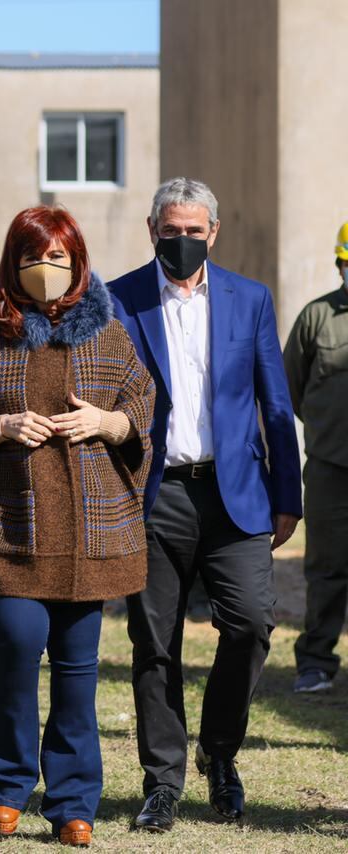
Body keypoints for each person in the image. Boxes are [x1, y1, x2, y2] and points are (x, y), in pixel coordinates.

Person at [0, 206, 154, 847]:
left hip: (92, 530)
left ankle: (74, 803)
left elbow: (140, 405)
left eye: (59, 257)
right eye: (35, 257)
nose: (48, 269)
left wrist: (106, 424)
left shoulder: (108, 335)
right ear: (14, 263)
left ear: (78, 262)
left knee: (78, 672)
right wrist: (1, 426)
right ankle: (5, 789)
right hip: (11, 527)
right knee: (18, 649)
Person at [108, 178, 302, 831]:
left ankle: (219, 756)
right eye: (172, 229)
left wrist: (287, 493)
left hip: (237, 493)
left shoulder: (249, 299)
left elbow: (275, 403)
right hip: (153, 495)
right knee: (154, 643)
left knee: (251, 622)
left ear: (213, 233)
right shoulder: (119, 299)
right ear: (152, 229)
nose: (183, 241)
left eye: (196, 231)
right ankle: (162, 783)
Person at [284, 220, 348, 695]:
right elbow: (292, 390)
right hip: (330, 467)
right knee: (326, 566)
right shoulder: (316, 318)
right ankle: (317, 661)